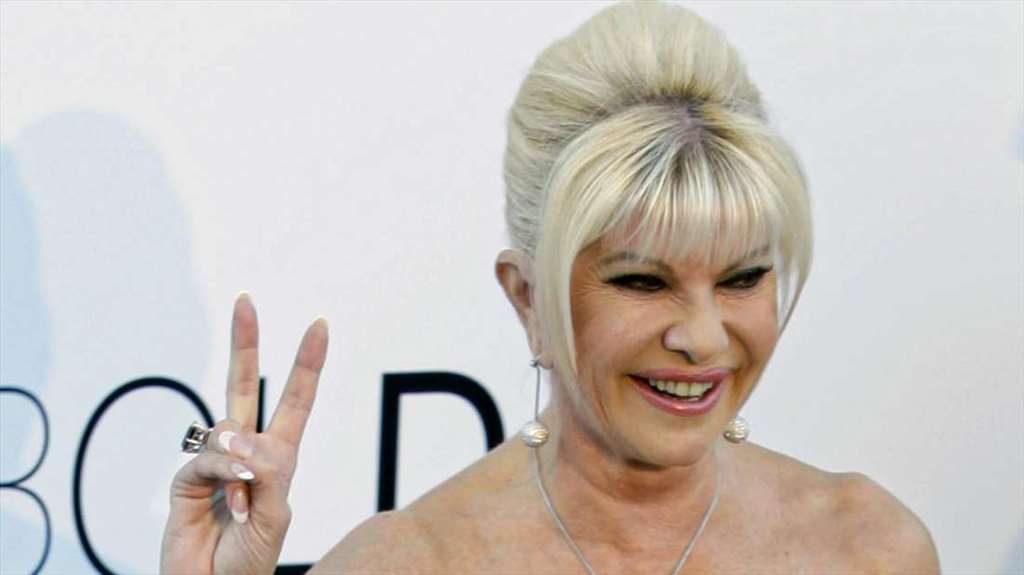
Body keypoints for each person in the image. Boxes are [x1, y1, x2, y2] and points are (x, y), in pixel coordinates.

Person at [161, 2, 940, 573]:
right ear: (527, 297)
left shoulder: (869, 547)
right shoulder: (406, 563)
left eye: (742, 277)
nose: (703, 337)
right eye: (644, 280)